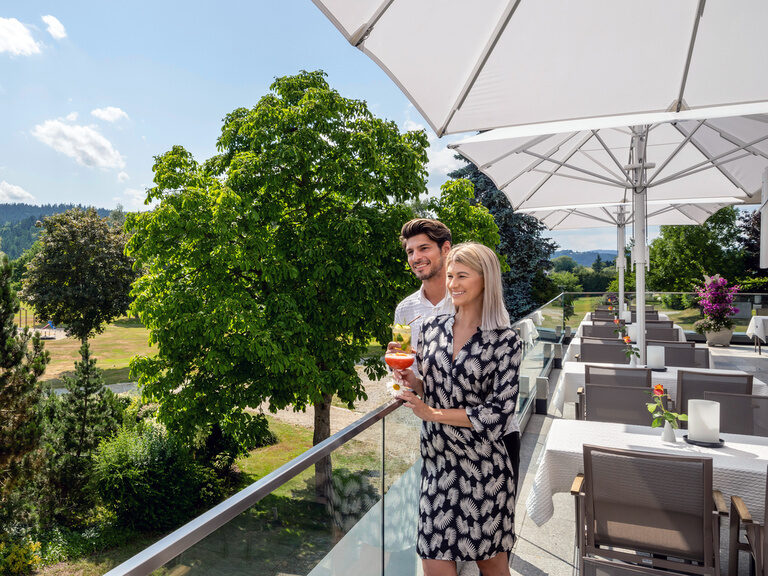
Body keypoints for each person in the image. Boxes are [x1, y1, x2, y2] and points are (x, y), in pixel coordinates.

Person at [394, 243, 521, 576]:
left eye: (462, 276)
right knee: (433, 559)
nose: (452, 284)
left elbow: (499, 413)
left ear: (485, 280)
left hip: (484, 469)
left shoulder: (505, 340)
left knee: (491, 564)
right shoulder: (434, 331)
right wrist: (411, 378)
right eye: (450, 276)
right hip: (438, 464)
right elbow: (431, 387)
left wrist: (432, 414)